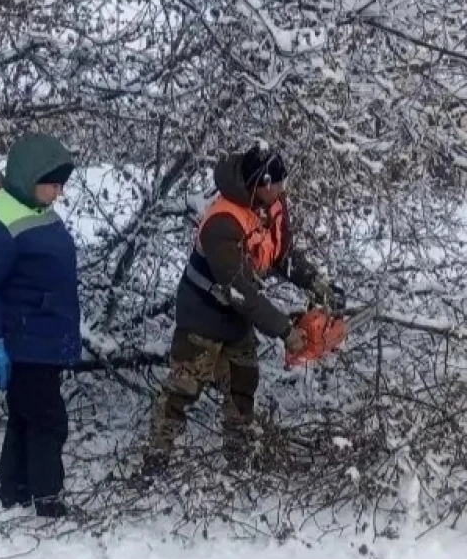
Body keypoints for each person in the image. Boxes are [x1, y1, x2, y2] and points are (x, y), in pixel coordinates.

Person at [143, 144, 341, 474]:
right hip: (203, 315)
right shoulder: (222, 222)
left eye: (281, 183)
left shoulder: (271, 206)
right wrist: (285, 330)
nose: (280, 190)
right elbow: (239, 290)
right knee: (183, 389)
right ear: (257, 182)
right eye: (274, 184)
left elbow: (282, 254)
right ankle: (156, 459)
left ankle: (240, 459)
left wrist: (313, 282)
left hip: (238, 317)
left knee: (242, 386)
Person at [0, 133, 80, 518]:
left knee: (26, 415)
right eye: (52, 183)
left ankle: (15, 488)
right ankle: (48, 497)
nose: (58, 192)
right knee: (49, 420)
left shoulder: (33, 205)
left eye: (61, 185)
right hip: (24, 337)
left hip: (44, 333)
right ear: (30, 176)